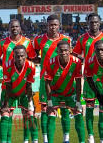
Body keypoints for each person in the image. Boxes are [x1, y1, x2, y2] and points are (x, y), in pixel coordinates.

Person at [72, 13, 103, 143]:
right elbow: (74, 54)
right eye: (91, 22)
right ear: (88, 23)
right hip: (89, 77)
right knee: (89, 107)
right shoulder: (82, 39)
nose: (94, 24)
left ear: (99, 23)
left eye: (96, 22)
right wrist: (83, 59)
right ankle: (91, 136)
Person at [0, 19, 37, 143]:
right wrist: (7, 67)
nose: (14, 28)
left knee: (28, 114)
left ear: (20, 28)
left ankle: (28, 140)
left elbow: (33, 59)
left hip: (23, 85)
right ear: (9, 29)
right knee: (7, 114)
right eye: (12, 27)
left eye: (16, 26)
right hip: (9, 85)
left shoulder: (28, 42)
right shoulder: (3, 43)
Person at [32, 14, 72, 143]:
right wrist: (45, 63)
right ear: (46, 26)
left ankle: (66, 138)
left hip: (63, 79)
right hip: (46, 80)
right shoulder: (39, 40)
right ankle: (45, 139)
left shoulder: (66, 39)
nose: (53, 27)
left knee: (65, 109)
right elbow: (33, 57)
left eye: (55, 25)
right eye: (50, 25)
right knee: (45, 109)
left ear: (59, 25)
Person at [44, 41, 85, 143]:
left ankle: (80, 141)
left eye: (66, 50)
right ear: (57, 51)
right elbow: (47, 83)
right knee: (51, 115)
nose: (63, 52)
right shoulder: (51, 62)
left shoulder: (76, 62)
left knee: (78, 113)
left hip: (71, 92)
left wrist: (78, 101)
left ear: (70, 50)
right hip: (55, 93)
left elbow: (79, 82)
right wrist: (49, 102)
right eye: (61, 50)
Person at [0, 45, 38, 143]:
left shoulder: (31, 66)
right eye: (17, 56)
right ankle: (5, 141)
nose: (20, 58)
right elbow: (8, 86)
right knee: (5, 115)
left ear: (26, 55)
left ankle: (32, 140)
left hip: (24, 92)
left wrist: (30, 103)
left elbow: (29, 85)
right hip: (9, 92)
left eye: (22, 56)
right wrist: (6, 104)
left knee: (30, 115)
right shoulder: (7, 66)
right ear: (13, 56)